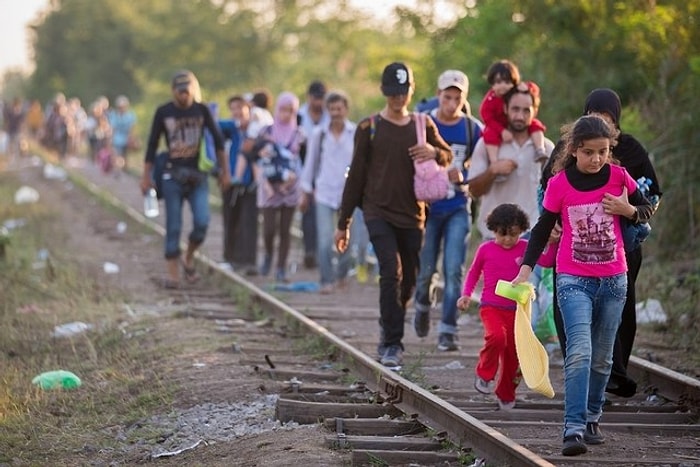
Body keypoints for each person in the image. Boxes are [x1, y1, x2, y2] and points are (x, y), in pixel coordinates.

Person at [512, 115, 654, 456]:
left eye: (603, 151)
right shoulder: (560, 184)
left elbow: (648, 209)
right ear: (575, 150)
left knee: (603, 358)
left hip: (614, 281)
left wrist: (628, 209)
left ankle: (592, 417)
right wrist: (525, 270)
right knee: (579, 352)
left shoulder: (619, 176)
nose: (597, 159)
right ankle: (573, 427)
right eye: (589, 152)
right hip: (574, 279)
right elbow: (543, 228)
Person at [541, 88, 663, 397]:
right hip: (572, 248)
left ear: (616, 121)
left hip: (621, 248)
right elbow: (546, 192)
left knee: (616, 312)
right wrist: (552, 226)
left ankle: (612, 374)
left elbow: (651, 197)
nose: (599, 122)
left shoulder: (631, 151)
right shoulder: (567, 149)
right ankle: (579, 376)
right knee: (570, 308)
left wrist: (630, 212)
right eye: (594, 115)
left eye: (606, 117)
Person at [334, 62, 452, 368]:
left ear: (411, 91)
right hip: (377, 211)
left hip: (413, 215)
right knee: (390, 271)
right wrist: (343, 223)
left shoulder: (422, 124)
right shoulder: (369, 127)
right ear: (384, 92)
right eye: (393, 92)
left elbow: (448, 155)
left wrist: (435, 153)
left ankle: (392, 323)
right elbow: (355, 178)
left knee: (408, 282)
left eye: (404, 91)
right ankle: (391, 343)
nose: (399, 98)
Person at [457, 203, 556, 410]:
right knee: (496, 337)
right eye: (503, 235)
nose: (508, 239)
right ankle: (485, 373)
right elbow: (474, 273)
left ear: (522, 230)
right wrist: (466, 294)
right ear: (493, 230)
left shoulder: (525, 248)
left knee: (512, 354)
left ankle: (506, 392)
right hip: (491, 307)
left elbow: (546, 261)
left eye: (514, 234)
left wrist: (553, 242)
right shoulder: (486, 249)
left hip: (517, 312)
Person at [412, 69, 483, 352]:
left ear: (463, 99)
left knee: (453, 269)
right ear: (438, 95)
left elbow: (481, 165)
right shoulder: (423, 124)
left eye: (457, 98)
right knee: (426, 269)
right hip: (428, 208)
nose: (451, 103)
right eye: (446, 96)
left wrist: (464, 175)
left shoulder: (472, 129)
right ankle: (421, 303)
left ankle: (448, 329)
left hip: (457, 206)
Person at [139, 69, 230, 288]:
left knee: (202, 222)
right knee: (173, 225)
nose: (183, 96)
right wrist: (146, 176)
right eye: (179, 92)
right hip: (172, 175)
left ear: (193, 91)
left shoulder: (202, 110)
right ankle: (173, 276)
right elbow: (152, 145)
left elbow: (219, 143)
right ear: (173, 92)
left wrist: (225, 172)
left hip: (198, 176)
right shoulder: (164, 112)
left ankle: (188, 257)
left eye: (187, 92)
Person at [468, 84, 555, 240]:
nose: (520, 116)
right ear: (505, 109)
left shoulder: (545, 148)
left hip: (532, 235)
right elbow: (473, 190)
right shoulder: (488, 144)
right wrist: (492, 171)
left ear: (535, 111)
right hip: (494, 235)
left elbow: (556, 193)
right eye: (515, 109)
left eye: (526, 110)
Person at [299, 90, 356, 293]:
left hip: (348, 194)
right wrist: (305, 191)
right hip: (323, 192)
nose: (335, 113)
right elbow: (310, 164)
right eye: (331, 109)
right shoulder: (319, 134)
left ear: (346, 110)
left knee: (346, 239)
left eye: (339, 108)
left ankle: (341, 274)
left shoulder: (355, 133)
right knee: (324, 238)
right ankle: (326, 279)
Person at [253, 91, 305, 283]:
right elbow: (255, 156)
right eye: (282, 110)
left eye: (290, 110)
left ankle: (281, 267)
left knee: (285, 230)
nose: (285, 114)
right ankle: (267, 254)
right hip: (268, 185)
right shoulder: (266, 131)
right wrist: (263, 180)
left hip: (290, 186)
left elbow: (304, 160)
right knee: (268, 228)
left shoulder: (299, 134)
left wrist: (297, 183)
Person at [479, 60, 548, 174]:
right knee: (489, 135)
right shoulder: (490, 100)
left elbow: (534, 89)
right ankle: (494, 162)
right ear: (492, 84)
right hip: (497, 126)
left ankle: (540, 149)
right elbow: (487, 119)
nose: (502, 86)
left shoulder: (515, 92)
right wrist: (501, 131)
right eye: (498, 82)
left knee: (536, 125)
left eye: (507, 82)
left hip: (513, 124)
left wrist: (525, 87)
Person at [297, 80, 330, 270]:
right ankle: (310, 251)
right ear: (309, 98)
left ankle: (319, 252)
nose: (318, 103)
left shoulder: (330, 116)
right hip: (303, 168)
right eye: (315, 98)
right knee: (307, 211)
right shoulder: (299, 117)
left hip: (324, 169)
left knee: (323, 212)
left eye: (321, 99)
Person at [109, 95, 137, 171]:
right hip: (117, 139)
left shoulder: (130, 115)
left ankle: (124, 169)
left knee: (125, 155)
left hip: (126, 138)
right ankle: (118, 169)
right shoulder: (114, 115)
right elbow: (113, 128)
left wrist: (132, 138)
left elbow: (132, 128)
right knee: (117, 155)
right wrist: (110, 139)